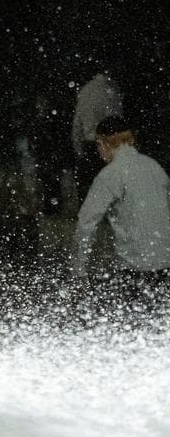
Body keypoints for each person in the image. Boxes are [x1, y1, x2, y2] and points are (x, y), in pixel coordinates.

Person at [73, 116, 170, 291]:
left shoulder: (111, 174)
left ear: (103, 143)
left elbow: (86, 222)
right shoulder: (154, 167)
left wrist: (79, 269)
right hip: (166, 261)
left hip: (135, 266)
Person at [71, 70, 124, 199]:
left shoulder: (85, 92)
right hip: (108, 143)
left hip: (90, 143)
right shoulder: (111, 92)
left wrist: (78, 147)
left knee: (88, 186)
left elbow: (77, 123)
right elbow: (118, 121)